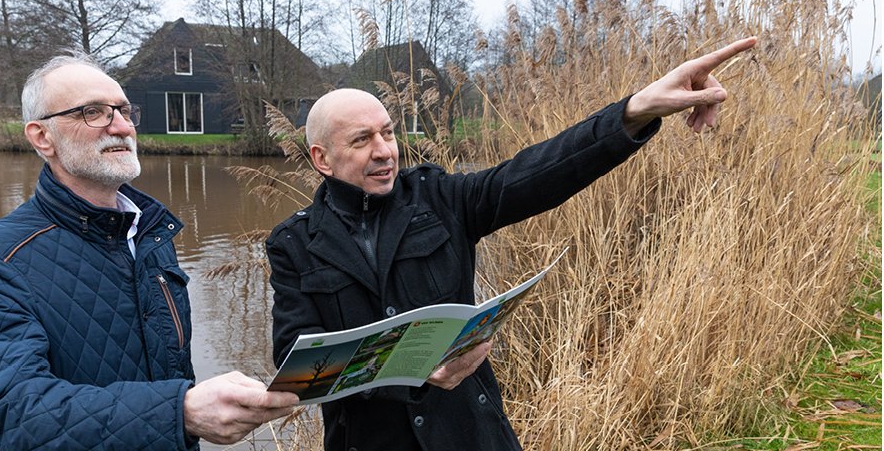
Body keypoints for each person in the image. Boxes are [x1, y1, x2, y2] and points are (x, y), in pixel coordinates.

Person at [266, 37, 757, 450]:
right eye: (362, 140)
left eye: (389, 133)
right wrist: (408, 366)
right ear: (322, 159)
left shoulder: (439, 198)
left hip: (472, 437)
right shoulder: (293, 244)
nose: (384, 151)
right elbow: (297, 366)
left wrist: (634, 111)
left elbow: (537, 173)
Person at [0, 52, 299, 450]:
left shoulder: (150, 233)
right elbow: (11, 417)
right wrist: (181, 412)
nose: (121, 127)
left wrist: (197, 410)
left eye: (124, 111)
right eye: (92, 112)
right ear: (42, 137)